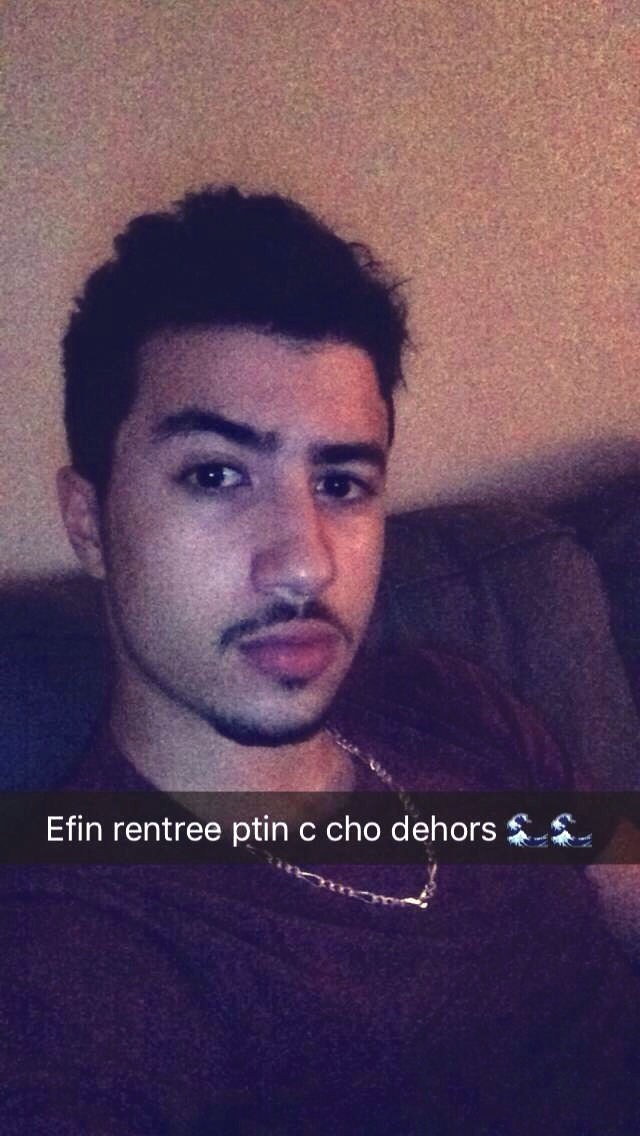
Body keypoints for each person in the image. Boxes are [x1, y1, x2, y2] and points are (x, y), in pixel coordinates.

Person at [1, 186, 638, 1134]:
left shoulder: (451, 705)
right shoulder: (80, 952)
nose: (305, 561)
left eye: (340, 482)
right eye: (216, 474)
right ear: (90, 522)